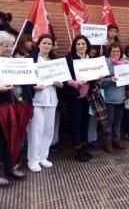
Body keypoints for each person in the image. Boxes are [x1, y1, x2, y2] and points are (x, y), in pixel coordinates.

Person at [0, 31, 32, 186]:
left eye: (10, 45)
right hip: (1, 107)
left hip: (14, 105)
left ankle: (9, 168)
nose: (8, 48)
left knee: (12, 140)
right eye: (4, 45)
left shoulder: (13, 61)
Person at [27, 34, 63, 172]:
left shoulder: (55, 61)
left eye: (49, 43)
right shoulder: (31, 59)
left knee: (48, 130)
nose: (47, 45)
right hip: (37, 99)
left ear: (52, 45)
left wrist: (59, 83)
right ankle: (33, 160)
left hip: (52, 99)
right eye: (44, 43)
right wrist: (33, 87)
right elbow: (25, 81)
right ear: (39, 44)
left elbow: (62, 83)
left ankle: (43, 157)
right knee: (36, 130)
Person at [64, 35, 96, 162]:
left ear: (87, 45)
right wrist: (75, 83)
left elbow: (94, 75)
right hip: (75, 96)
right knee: (76, 122)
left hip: (87, 96)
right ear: (74, 46)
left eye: (83, 43)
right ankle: (77, 150)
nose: (81, 46)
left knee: (85, 122)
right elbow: (64, 77)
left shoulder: (91, 59)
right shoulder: (69, 59)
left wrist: (98, 77)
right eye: (78, 44)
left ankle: (83, 147)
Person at [101, 42, 127, 151]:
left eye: (118, 51)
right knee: (109, 122)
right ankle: (108, 142)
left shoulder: (125, 63)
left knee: (118, 120)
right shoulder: (105, 64)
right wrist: (110, 79)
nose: (116, 53)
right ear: (109, 52)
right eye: (113, 51)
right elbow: (100, 82)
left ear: (121, 53)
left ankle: (116, 139)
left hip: (121, 97)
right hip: (110, 98)